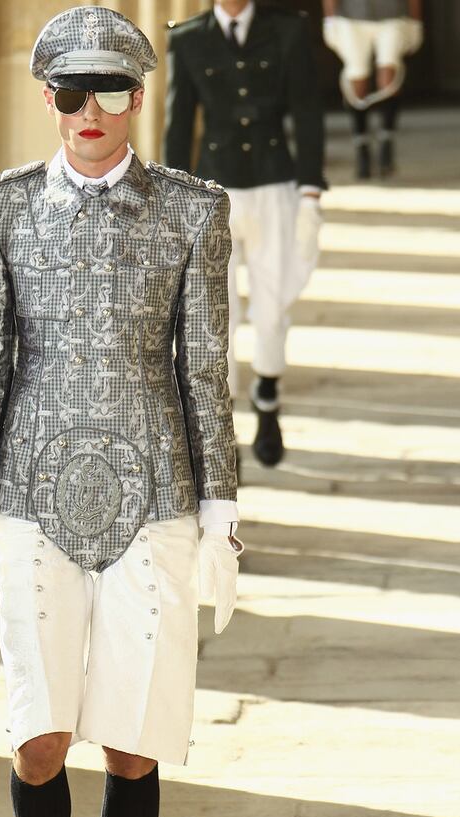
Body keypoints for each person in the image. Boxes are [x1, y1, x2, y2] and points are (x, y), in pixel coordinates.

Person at [0, 4, 242, 817]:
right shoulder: (3, 208)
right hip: (28, 498)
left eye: (108, 91)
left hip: (154, 496)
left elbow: (202, 366)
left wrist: (222, 510)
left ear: (136, 97)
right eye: (68, 92)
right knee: (34, 736)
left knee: (130, 739)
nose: (87, 112)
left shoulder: (193, 213)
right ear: (49, 100)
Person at [163, 0, 327, 469]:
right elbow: (179, 124)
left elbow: (307, 110)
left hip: (275, 183)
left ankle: (269, 395)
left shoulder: (287, 30)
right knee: (220, 314)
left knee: (273, 305)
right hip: (215, 191)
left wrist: (311, 190)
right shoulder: (187, 37)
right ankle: (223, 423)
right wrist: (173, 201)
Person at [322, 0, 424, 178]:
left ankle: (386, 140)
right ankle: (361, 145)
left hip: (393, 15)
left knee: (389, 75)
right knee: (357, 77)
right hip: (351, 17)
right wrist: (330, 19)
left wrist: (415, 20)